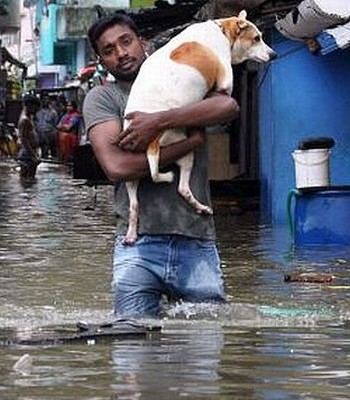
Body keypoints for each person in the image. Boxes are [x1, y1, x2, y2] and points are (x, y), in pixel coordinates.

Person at [83, 14, 240, 318]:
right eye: (109, 49)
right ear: (101, 60)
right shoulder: (104, 98)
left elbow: (228, 105)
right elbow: (117, 167)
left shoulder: (185, 78)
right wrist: (188, 143)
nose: (121, 53)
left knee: (202, 352)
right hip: (137, 245)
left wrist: (158, 121)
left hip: (196, 239)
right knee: (132, 348)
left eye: (126, 42)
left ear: (143, 43)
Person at [16, 94, 41, 179]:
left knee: (30, 179)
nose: (37, 110)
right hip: (27, 155)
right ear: (29, 106)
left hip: (30, 153)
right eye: (36, 107)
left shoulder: (29, 117)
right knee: (27, 179)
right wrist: (33, 156)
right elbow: (24, 139)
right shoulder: (24, 120)